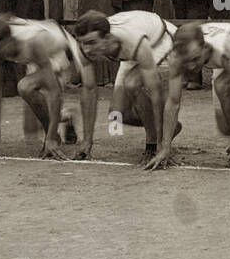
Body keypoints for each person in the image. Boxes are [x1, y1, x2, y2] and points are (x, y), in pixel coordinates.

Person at [146, 20, 230, 174]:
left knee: (222, 85)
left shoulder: (226, 50)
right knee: (224, 128)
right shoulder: (176, 56)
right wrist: (165, 148)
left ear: (205, 48)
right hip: (221, 60)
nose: (192, 67)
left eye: (195, 60)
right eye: (187, 62)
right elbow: (173, 102)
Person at [0, 15, 99, 160]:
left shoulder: (34, 42)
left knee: (25, 87)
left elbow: (55, 93)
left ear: (7, 42)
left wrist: (49, 139)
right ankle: (65, 118)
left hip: (61, 52)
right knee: (32, 118)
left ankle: (53, 137)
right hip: (38, 57)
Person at [74, 9, 175, 162]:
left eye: (92, 43)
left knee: (133, 83)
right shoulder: (85, 48)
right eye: (83, 43)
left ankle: (153, 142)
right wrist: (87, 141)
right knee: (117, 115)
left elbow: (154, 90)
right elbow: (89, 90)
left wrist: (161, 145)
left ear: (108, 38)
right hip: (132, 48)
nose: (87, 49)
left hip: (161, 40)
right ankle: (171, 125)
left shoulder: (132, 39)